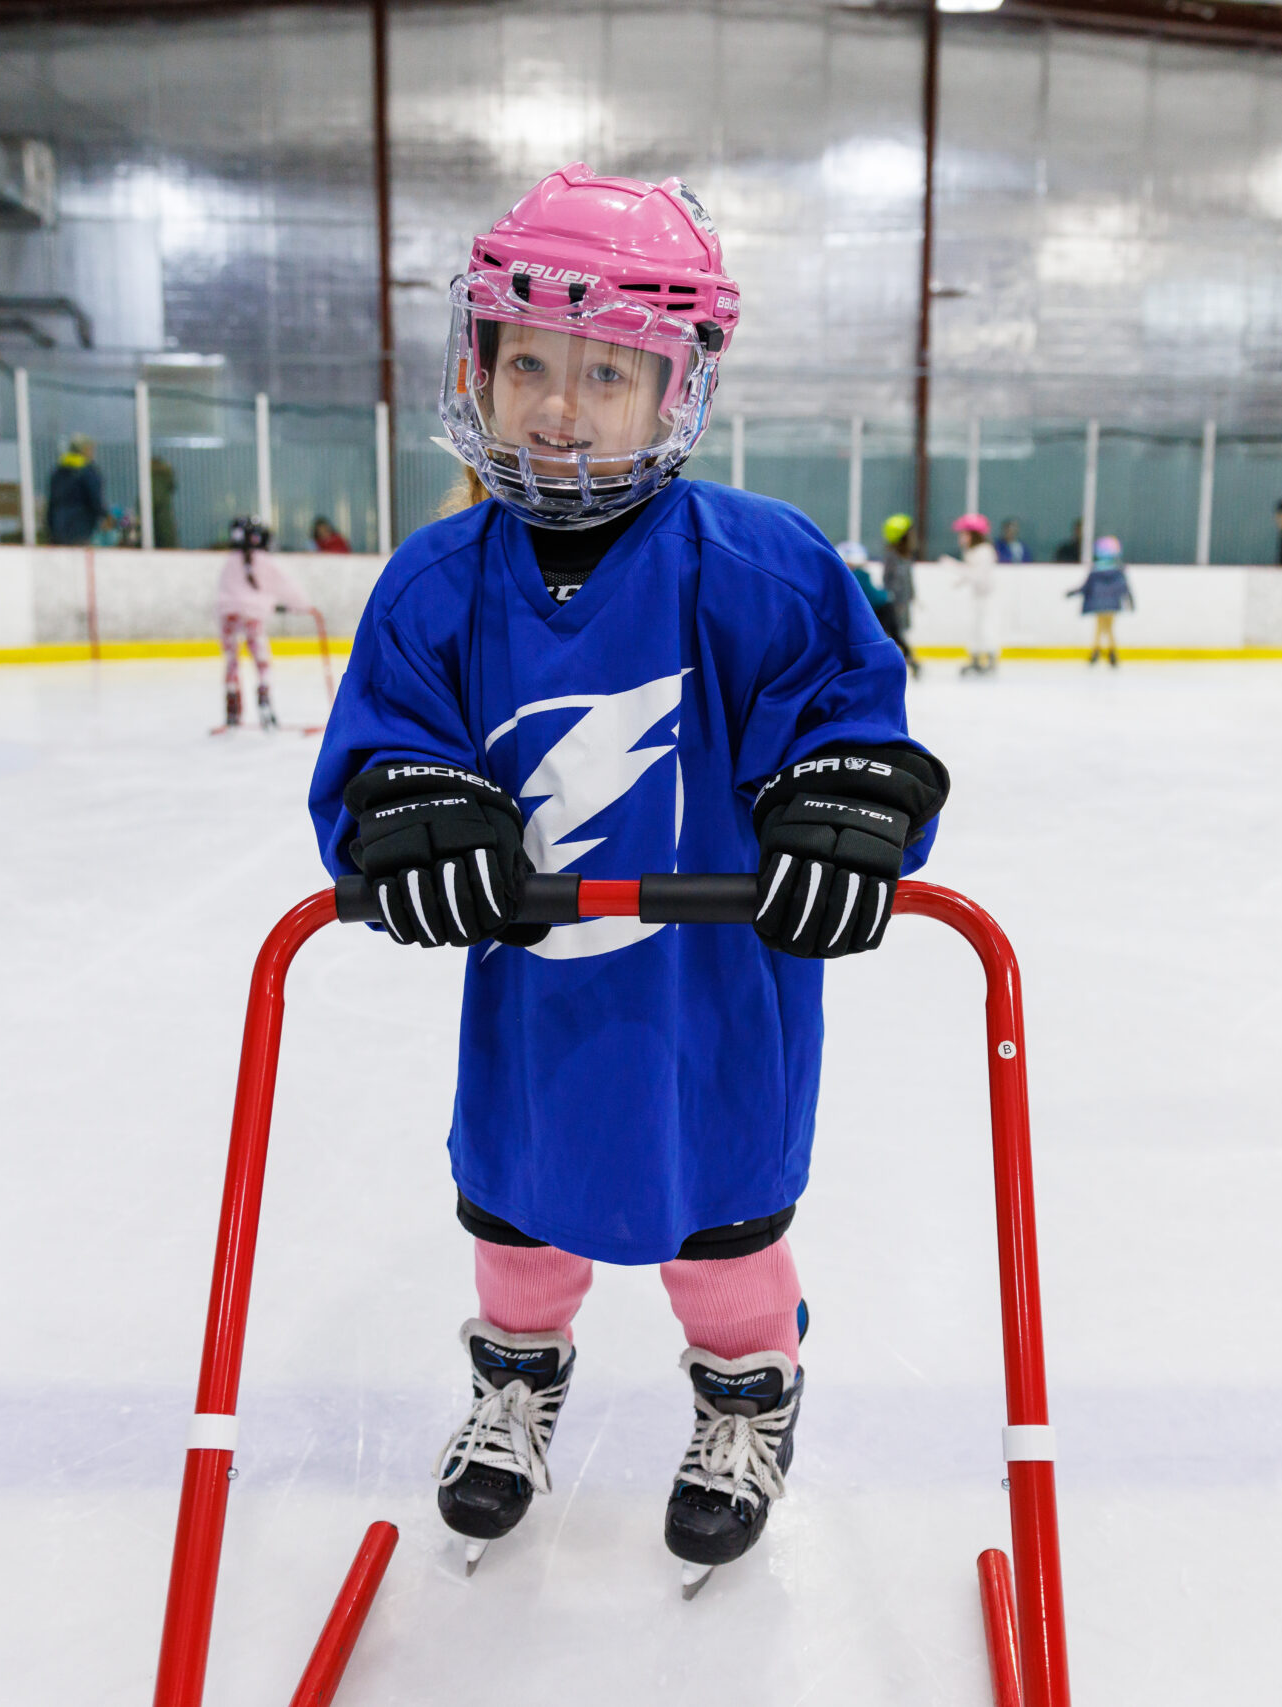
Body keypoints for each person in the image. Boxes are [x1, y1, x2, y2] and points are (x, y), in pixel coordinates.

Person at [308, 163, 945, 1596]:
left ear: (679, 388)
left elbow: (847, 717)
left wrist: (846, 795)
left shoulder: (762, 568)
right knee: (517, 1208)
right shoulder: (434, 581)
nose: (556, 403)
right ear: (479, 359)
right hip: (536, 1005)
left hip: (715, 1003)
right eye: (528, 358)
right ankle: (518, 1379)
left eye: (610, 372)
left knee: (722, 1223)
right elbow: (379, 749)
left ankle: (744, 1397)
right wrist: (407, 805)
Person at [213, 516, 315, 733]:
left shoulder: (230, 560)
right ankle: (265, 701)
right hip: (252, 618)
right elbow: (286, 586)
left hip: (228, 617)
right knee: (262, 663)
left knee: (231, 663)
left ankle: (232, 707)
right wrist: (304, 606)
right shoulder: (263, 560)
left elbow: (223, 594)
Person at [947, 510, 1000, 676]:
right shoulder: (972, 552)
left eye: (964, 533)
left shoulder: (984, 551)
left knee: (986, 627)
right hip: (978, 596)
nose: (961, 538)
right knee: (975, 627)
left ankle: (990, 658)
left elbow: (978, 575)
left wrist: (955, 567)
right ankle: (976, 658)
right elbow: (972, 573)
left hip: (987, 596)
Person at [1068, 534, 1135, 666]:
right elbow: (1124, 588)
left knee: (1101, 626)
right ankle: (1110, 652)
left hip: (1098, 602)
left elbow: (1086, 587)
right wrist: (1130, 601)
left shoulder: (1097, 569)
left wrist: (1073, 593)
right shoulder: (1118, 570)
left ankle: (1098, 650)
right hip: (1112, 602)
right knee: (1108, 627)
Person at [877, 512, 920, 678]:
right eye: (910, 534)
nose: (913, 537)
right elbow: (888, 581)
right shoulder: (892, 557)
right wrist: (894, 599)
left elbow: (908, 580)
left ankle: (906, 660)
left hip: (903, 602)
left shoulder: (906, 557)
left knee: (899, 634)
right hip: (895, 603)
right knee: (896, 635)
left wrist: (912, 596)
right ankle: (904, 660)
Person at [45, 435, 107, 546]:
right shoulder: (88, 472)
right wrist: (104, 516)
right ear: (85, 450)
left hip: (58, 528)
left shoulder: (58, 472)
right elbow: (95, 499)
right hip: (80, 528)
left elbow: (52, 502)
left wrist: (50, 527)